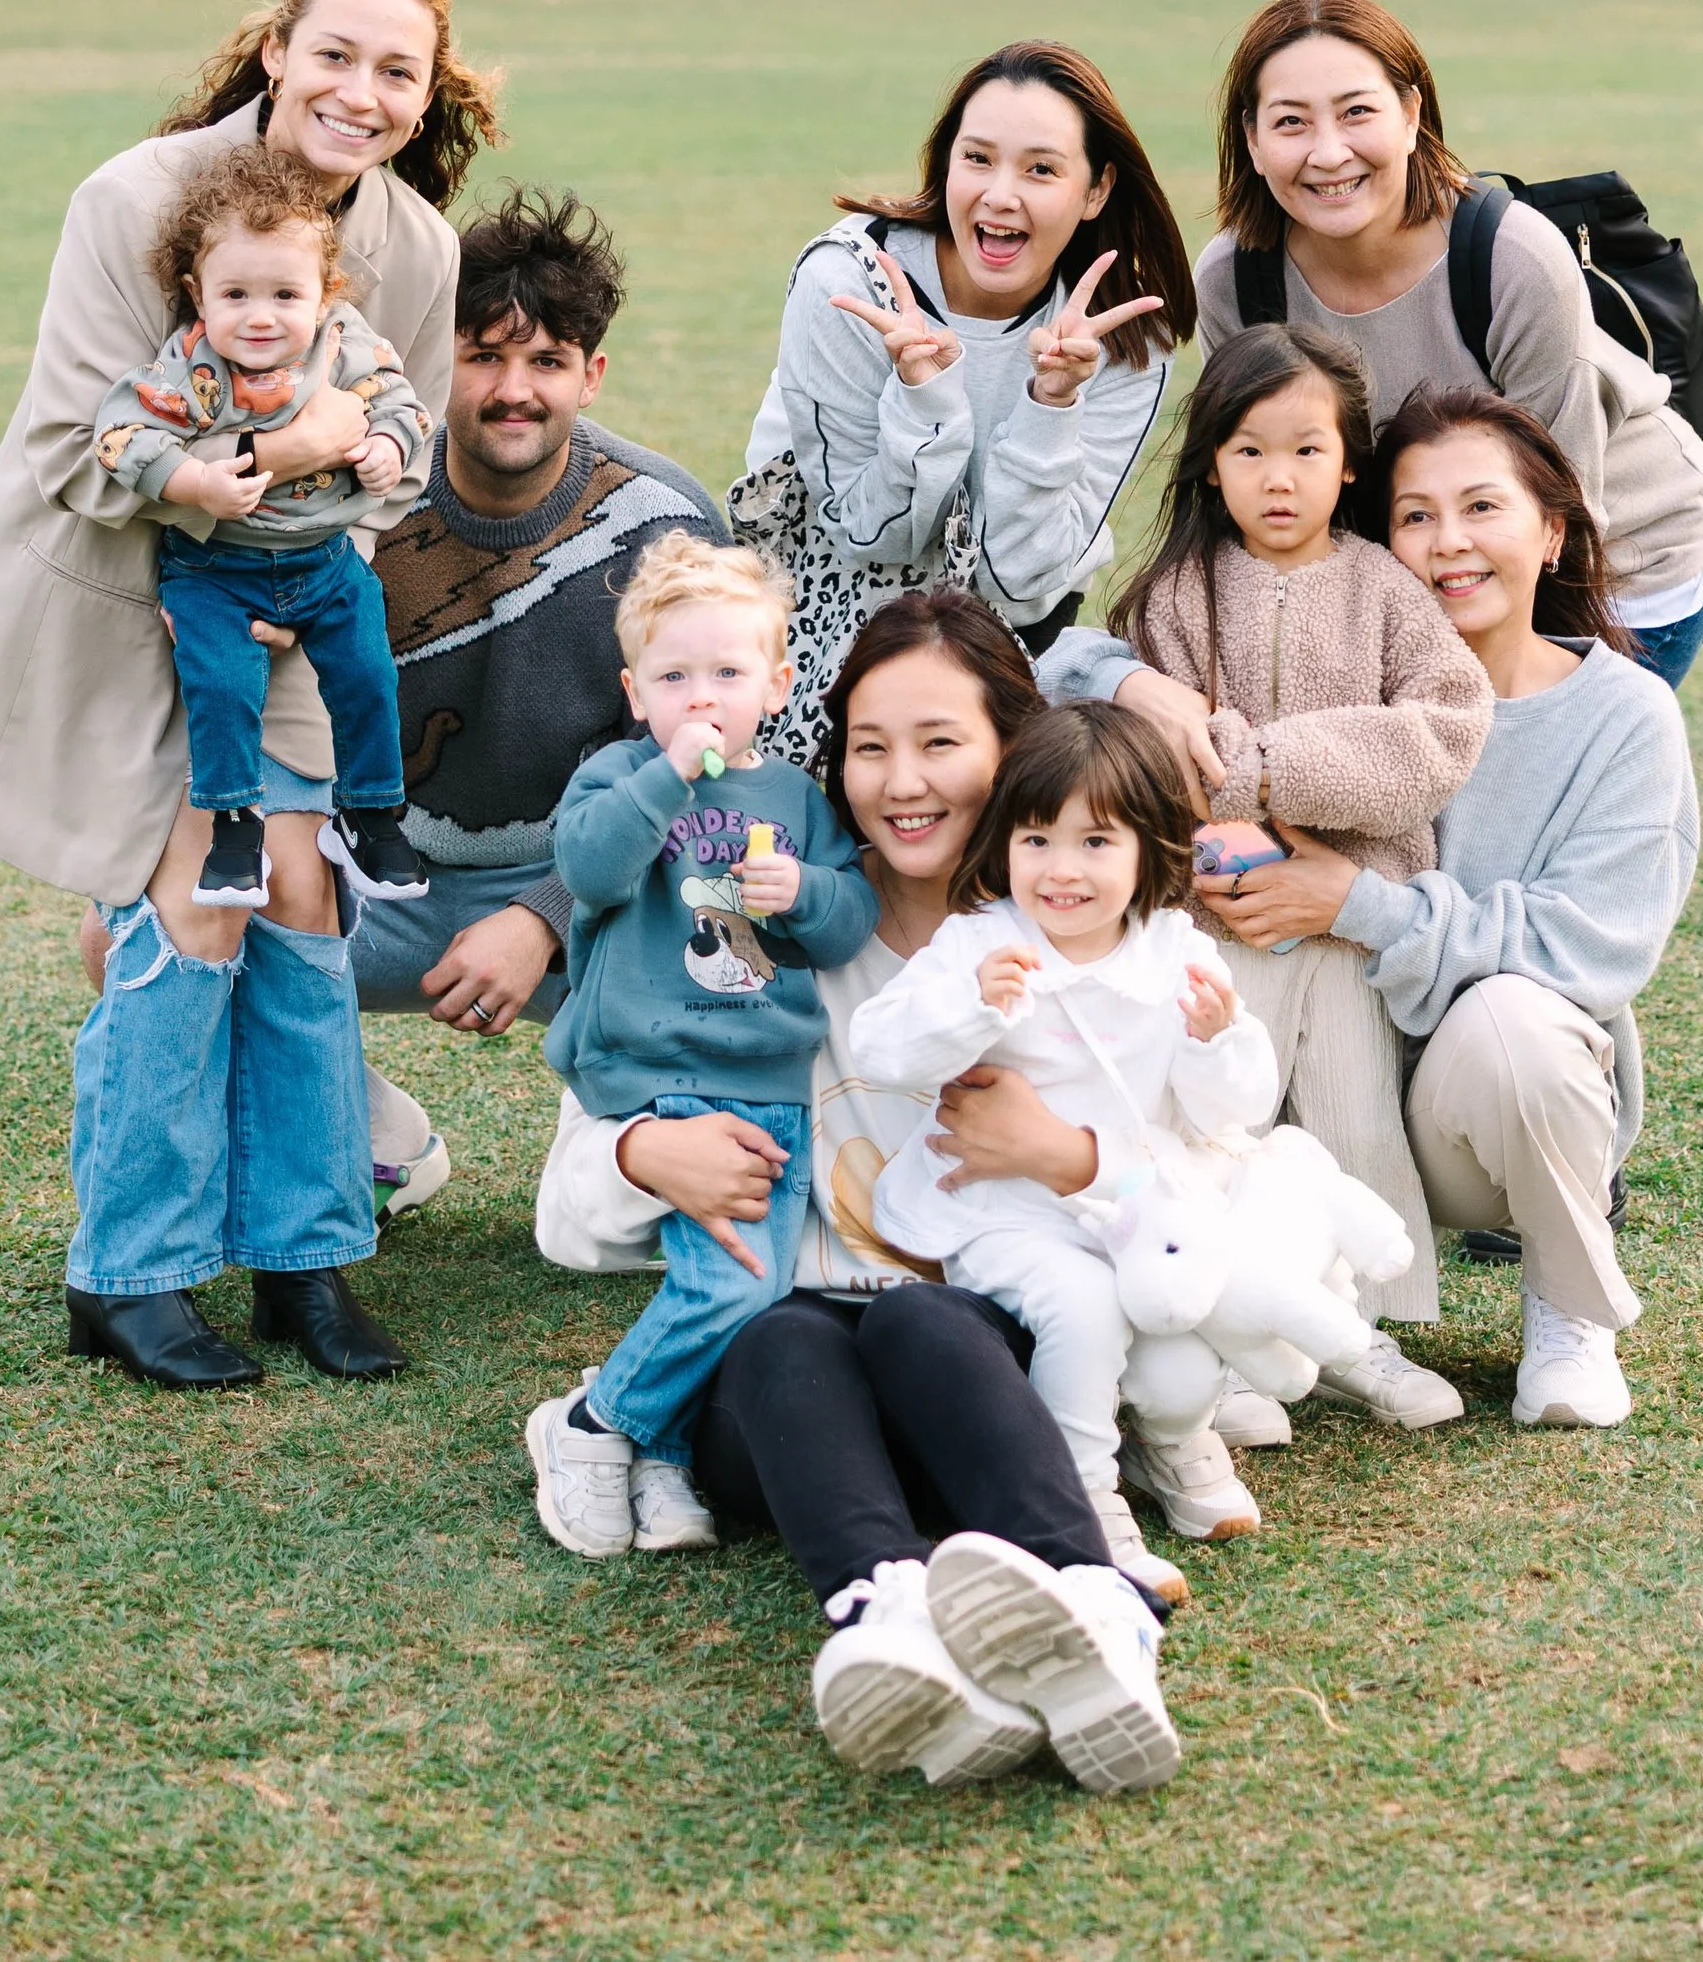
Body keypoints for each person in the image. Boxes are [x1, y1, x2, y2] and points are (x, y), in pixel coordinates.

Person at [0, 0, 488, 1389]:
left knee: (297, 895)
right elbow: (77, 451)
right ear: (274, 53)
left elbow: (400, 454)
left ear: (430, 95)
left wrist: (338, 492)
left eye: (396, 70)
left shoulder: (415, 247)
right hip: (123, 594)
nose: (360, 92)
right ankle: (129, 1267)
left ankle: (308, 1252)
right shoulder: (133, 199)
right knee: (194, 906)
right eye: (335, 55)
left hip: (293, 602)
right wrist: (278, 451)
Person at [536, 593, 1184, 1797]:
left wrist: (1064, 1153)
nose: (902, 782)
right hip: (789, 1425)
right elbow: (564, 1210)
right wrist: (640, 1158)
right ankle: (885, 1625)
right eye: (871, 746)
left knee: (920, 1319)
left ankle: (1098, 1618)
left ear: (1012, 744)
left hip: (986, 1397)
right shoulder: (744, 918)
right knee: (785, 1335)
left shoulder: (1075, 941)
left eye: (940, 742)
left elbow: (1200, 1201)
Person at [1194, 382, 1701, 1431]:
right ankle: (1241, 1318)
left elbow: (1587, 946)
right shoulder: (1331, 695)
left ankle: (1569, 1312)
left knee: (1516, 1018)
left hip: (1474, 1128)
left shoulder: (1623, 717)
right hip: (1318, 1100)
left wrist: (1357, 905)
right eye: (1413, 516)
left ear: (1551, 532)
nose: (1447, 544)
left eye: (1482, 508)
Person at [1105, 318, 1493, 1424]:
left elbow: (1440, 733)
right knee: (1218, 1128)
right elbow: (1147, 758)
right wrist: (1214, 826)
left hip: (1346, 919)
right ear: (1211, 462)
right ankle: (1226, 1343)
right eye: (1250, 450)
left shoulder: (1383, 590)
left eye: (1307, 449)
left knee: (1351, 1117)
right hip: (1218, 922)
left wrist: (1261, 765)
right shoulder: (1174, 598)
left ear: (1349, 460)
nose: (1280, 478)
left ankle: (1363, 1334)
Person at [347, 191, 725, 1212]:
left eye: (547, 360)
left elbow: (700, 756)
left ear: (590, 374)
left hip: (590, 885)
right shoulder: (358, 497)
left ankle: (634, 1141)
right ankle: (368, 1136)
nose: (514, 389)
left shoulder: (665, 521)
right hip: (377, 879)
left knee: (743, 947)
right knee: (126, 935)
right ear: (431, 361)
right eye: (481, 354)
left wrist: (545, 912)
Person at [850, 702, 1279, 1577]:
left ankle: (1175, 1439)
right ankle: (1081, 1491)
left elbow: (1235, 1108)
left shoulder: (1174, 952)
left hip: (1129, 1202)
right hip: (1005, 1211)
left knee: (1178, 1335)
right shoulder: (979, 942)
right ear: (1005, 841)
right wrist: (970, 1006)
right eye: (1037, 839)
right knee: (1084, 1309)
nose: (1061, 870)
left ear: (1149, 847)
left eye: (1096, 842)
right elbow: (880, 1046)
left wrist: (1215, 1039)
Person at [1193, 0, 1703, 688]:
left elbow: (1563, 515)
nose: (1328, 153)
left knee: (1523, 781)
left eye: (1358, 112)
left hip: (1618, 558)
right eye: (1291, 122)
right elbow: (1255, 491)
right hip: (1434, 560)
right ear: (1253, 140)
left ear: (1412, 115)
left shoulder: (1514, 258)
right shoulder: (1236, 280)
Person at [525, 538, 877, 1554]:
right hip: (664, 1073)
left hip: (771, 1078)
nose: (702, 697)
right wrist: (671, 775)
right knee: (725, 1282)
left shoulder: (799, 801)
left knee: (754, 1294)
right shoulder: (622, 773)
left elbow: (846, 924)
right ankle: (592, 1426)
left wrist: (803, 893)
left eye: (727, 674)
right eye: (675, 678)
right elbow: (590, 871)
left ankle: (663, 1450)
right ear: (637, 693)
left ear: (777, 681)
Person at [739, 39, 1194, 756]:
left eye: (1041, 168)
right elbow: (868, 536)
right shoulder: (850, 285)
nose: (1000, 194)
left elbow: (1019, 582)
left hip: (1009, 644)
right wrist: (924, 397)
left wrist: (1051, 403)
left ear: (1097, 189)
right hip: (828, 622)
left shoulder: (1125, 336)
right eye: (977, 158)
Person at [94, 145, 434, 908]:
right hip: (215, 570)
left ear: (322, 294)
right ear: (198, 294)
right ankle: (233, 831)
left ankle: (372, 814)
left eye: (284, 293)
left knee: (369, 675)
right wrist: (196, 481)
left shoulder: (341, 343)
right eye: (236, 293)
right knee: (222, 685)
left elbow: (404, 404)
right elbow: (119, 433)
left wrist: (386, 445)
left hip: (325, 561)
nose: (259, 315)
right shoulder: (191, 367)